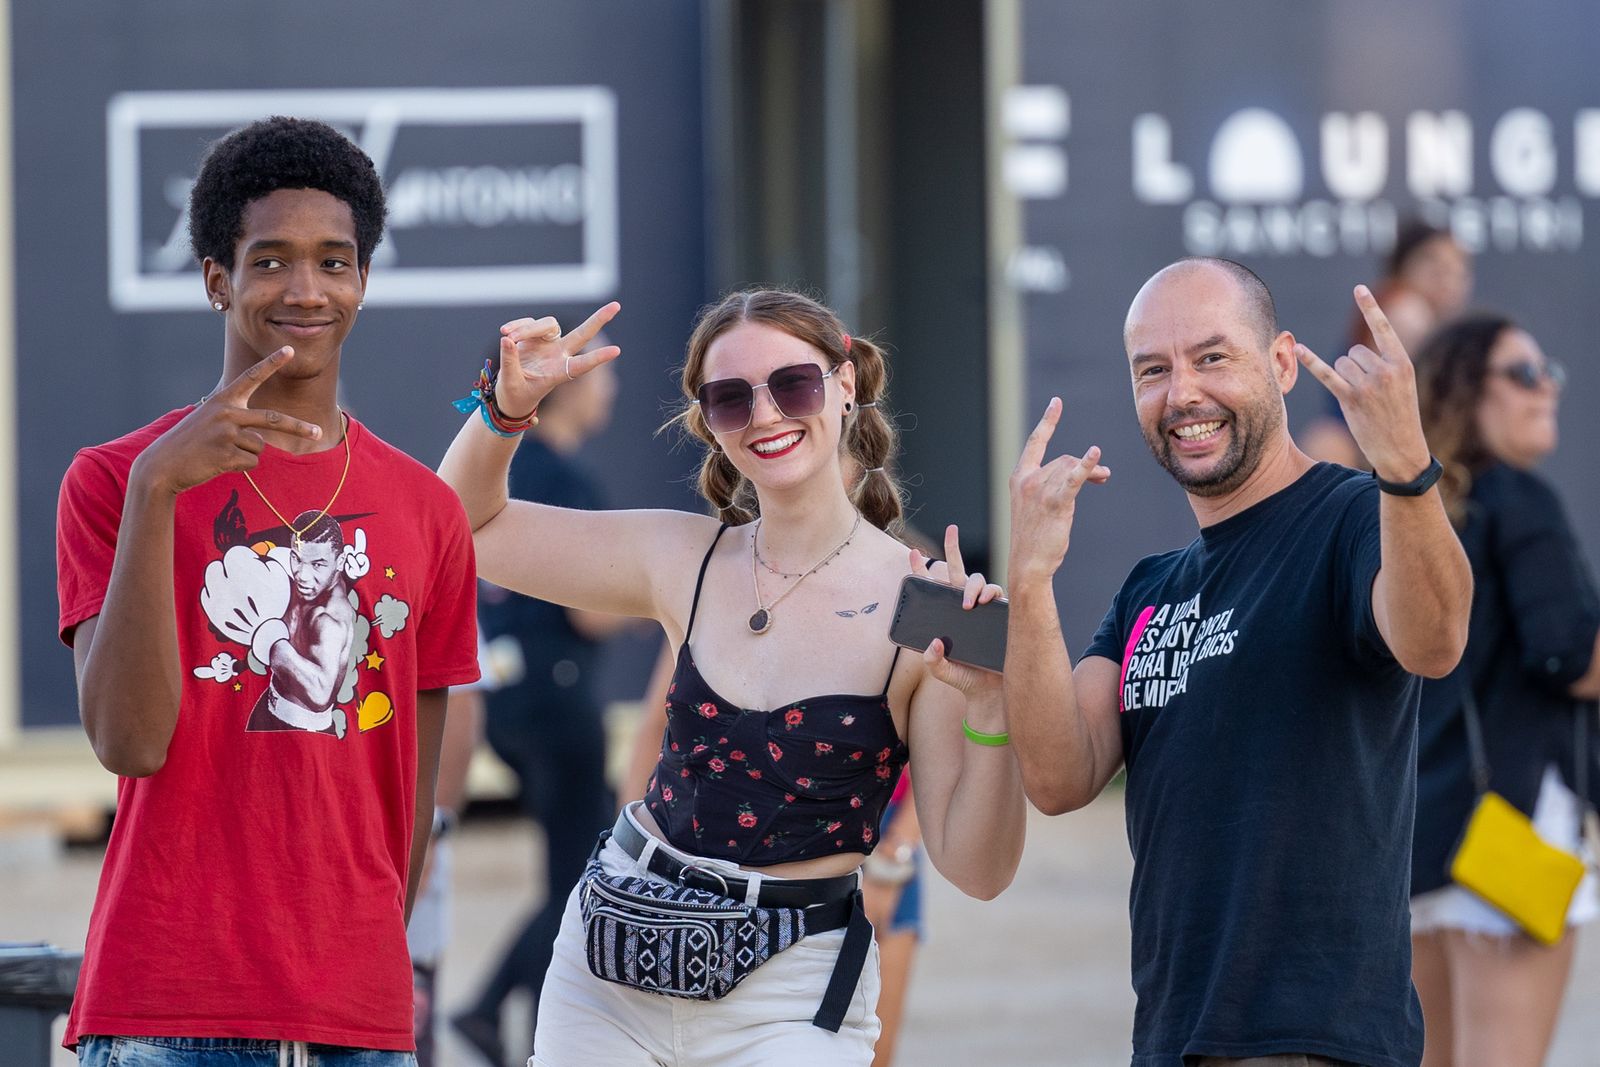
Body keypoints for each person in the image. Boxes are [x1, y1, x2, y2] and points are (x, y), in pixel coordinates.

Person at [438, 288, 1026, 1065]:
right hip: (611, 968)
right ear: (708, 421)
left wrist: (991, 710)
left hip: (789, 994)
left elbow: (979, 871)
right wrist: (506, 409)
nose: (767, 414)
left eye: (794, 383)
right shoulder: (687, 558)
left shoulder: (921, 607)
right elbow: (461, 528)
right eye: (730, 398)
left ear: (845, 385)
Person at [55, 117, 481, 1066]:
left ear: (364, 280)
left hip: (358, 1021)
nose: (305, 289)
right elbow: (129, 741)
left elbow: (406, 794)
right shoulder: (116, 480)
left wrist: (365, 965)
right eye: (271, 260)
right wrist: (160, 490)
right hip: (166, 1004)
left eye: (334, 262)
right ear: (218, 278)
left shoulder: (427, 511)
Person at [1002, 257, 1473, 1067]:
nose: (1182, 391)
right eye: (1154, 369)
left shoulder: (1352, 517)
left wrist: (1404, 468)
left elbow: (1434, 641)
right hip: (1174, 1040)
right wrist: (1032, 581)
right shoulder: (1150, 588)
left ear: (1282, 363)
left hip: (1317, 1042)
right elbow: (1058, 775)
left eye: (1212, 357)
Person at [1408, 315, 1600, 1067]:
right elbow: (1568, 655)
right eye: (1522, 374)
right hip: (1512, 830)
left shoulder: (1418, 514)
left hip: (1421, 837)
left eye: (1546, 368)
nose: (1545, 386)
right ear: (1468, 393)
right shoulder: (1519, 498)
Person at [451, 351, 633, 1067]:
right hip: (560, 708)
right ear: (570, 391)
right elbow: (590, 613)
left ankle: (510, 1023)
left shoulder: (504, 475)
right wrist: (657, 597)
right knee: (587, 881)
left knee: (576, 876)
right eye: (603, 377)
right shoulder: (567, 482)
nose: (612, 389)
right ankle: (494, 1010)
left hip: (508, 703)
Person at [1303, 220, 1473, 467]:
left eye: (1459, 268)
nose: (1448, 277)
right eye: (1434, 263)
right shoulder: (1409, 311)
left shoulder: (1445, 327)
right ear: (1402, 267)